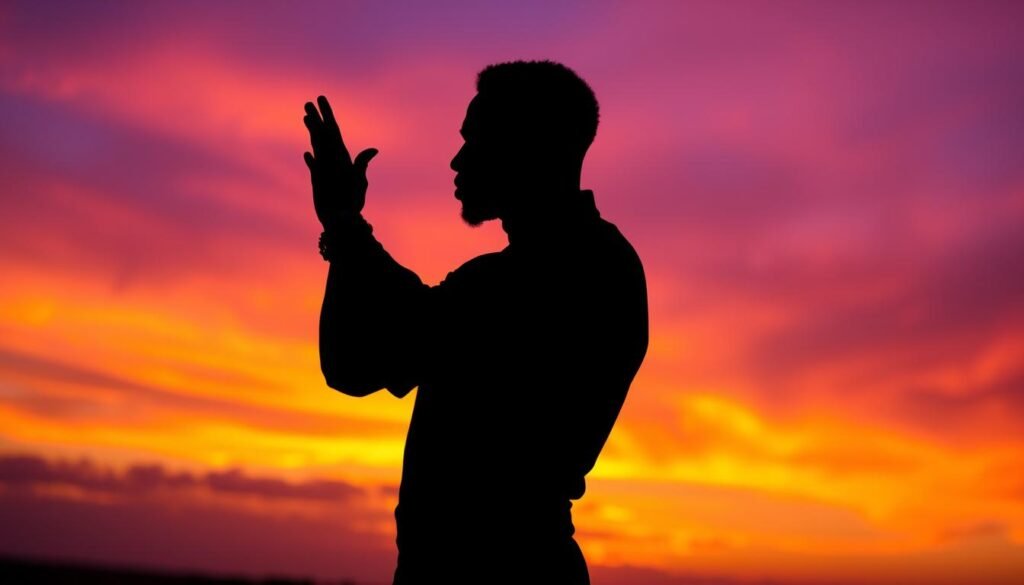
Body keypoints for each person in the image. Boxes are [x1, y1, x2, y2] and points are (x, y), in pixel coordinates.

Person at [303, 60, 648, 585]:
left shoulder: (562, 275)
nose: (457, 160)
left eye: (476, 140)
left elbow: (377, 347)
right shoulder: (580, 267)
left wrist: (345, 226)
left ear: (529, 149)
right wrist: (343, 231)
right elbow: (355, 360)